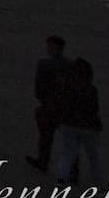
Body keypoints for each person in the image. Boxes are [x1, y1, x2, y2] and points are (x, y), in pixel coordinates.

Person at [50, 55, 103, 184]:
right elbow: (94, 109)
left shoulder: (66, 88)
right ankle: (97, 181)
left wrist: (59, 120)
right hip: (87, 126)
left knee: (68, 153)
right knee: (93, 156)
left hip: (69, 124)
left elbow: (61, 105)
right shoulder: (91, 89)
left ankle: (62, 179)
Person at [35, 36, 70, 171]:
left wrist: (44, 101)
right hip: (65, 107)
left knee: (45, 137)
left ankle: (43, 162)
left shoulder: (44, 64)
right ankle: (73, 169)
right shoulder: (70, 65)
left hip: (49, 106)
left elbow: (39, 88)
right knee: (69, 140)